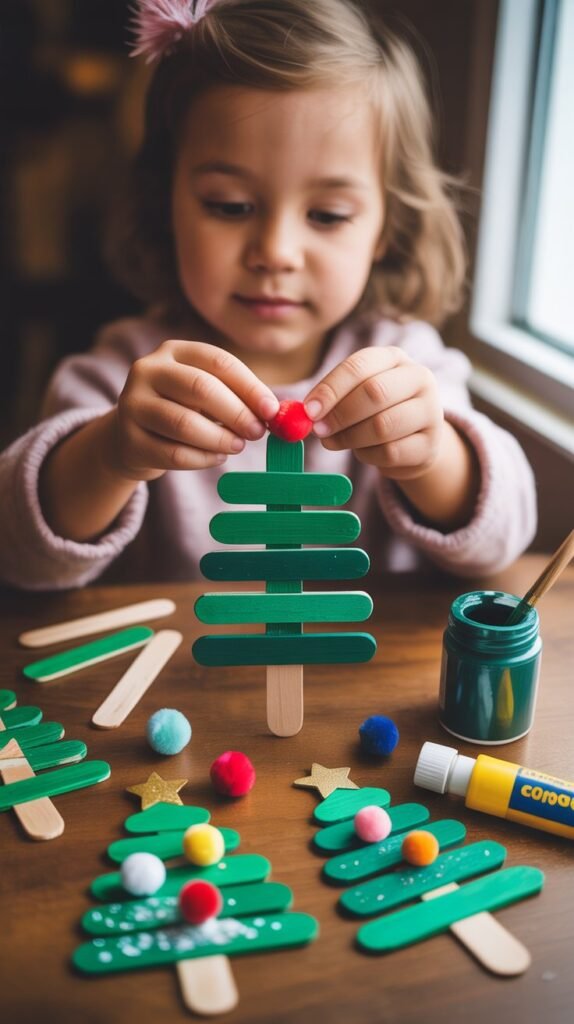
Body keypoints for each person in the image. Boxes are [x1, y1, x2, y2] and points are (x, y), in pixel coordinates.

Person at [0, 0, 536, 590]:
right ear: (165, 205)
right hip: (180, 678)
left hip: (361, 674)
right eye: (230, 206)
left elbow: (503, 542)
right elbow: (20, 559)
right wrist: (108, 455)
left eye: (328, 214)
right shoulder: (126, 378)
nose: (276, 251)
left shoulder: (407, 362)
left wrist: (436, 456)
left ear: (386, 229)